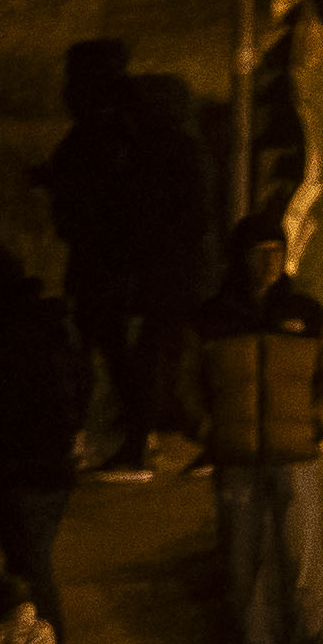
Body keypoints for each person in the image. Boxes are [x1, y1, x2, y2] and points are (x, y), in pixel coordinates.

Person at [188, 221, 323, 644]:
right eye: (259, 251)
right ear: (239, 257)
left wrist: (318, 424)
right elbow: (182, 380)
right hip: (237, 464)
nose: (269, 261)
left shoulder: (309, 315)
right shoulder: (213, 319)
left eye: (276, 250)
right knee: (243, 566)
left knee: (302, 565)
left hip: (295, 460)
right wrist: (207, 430)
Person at [32, 43, 204, 478]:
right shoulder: (131, 128)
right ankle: (136, 440)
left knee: (113, 352)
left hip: (119, 265)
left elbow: (119, 200)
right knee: (125, 353)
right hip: (135, 265)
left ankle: (129, 445)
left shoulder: (116, 130)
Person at [0, 248, 91, 636]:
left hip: (27, 472)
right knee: (26, 569)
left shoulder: (10, 331)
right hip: (38, 469)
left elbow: (4, 406)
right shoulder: (41, 323)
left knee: (30, 576)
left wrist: (1, 461)